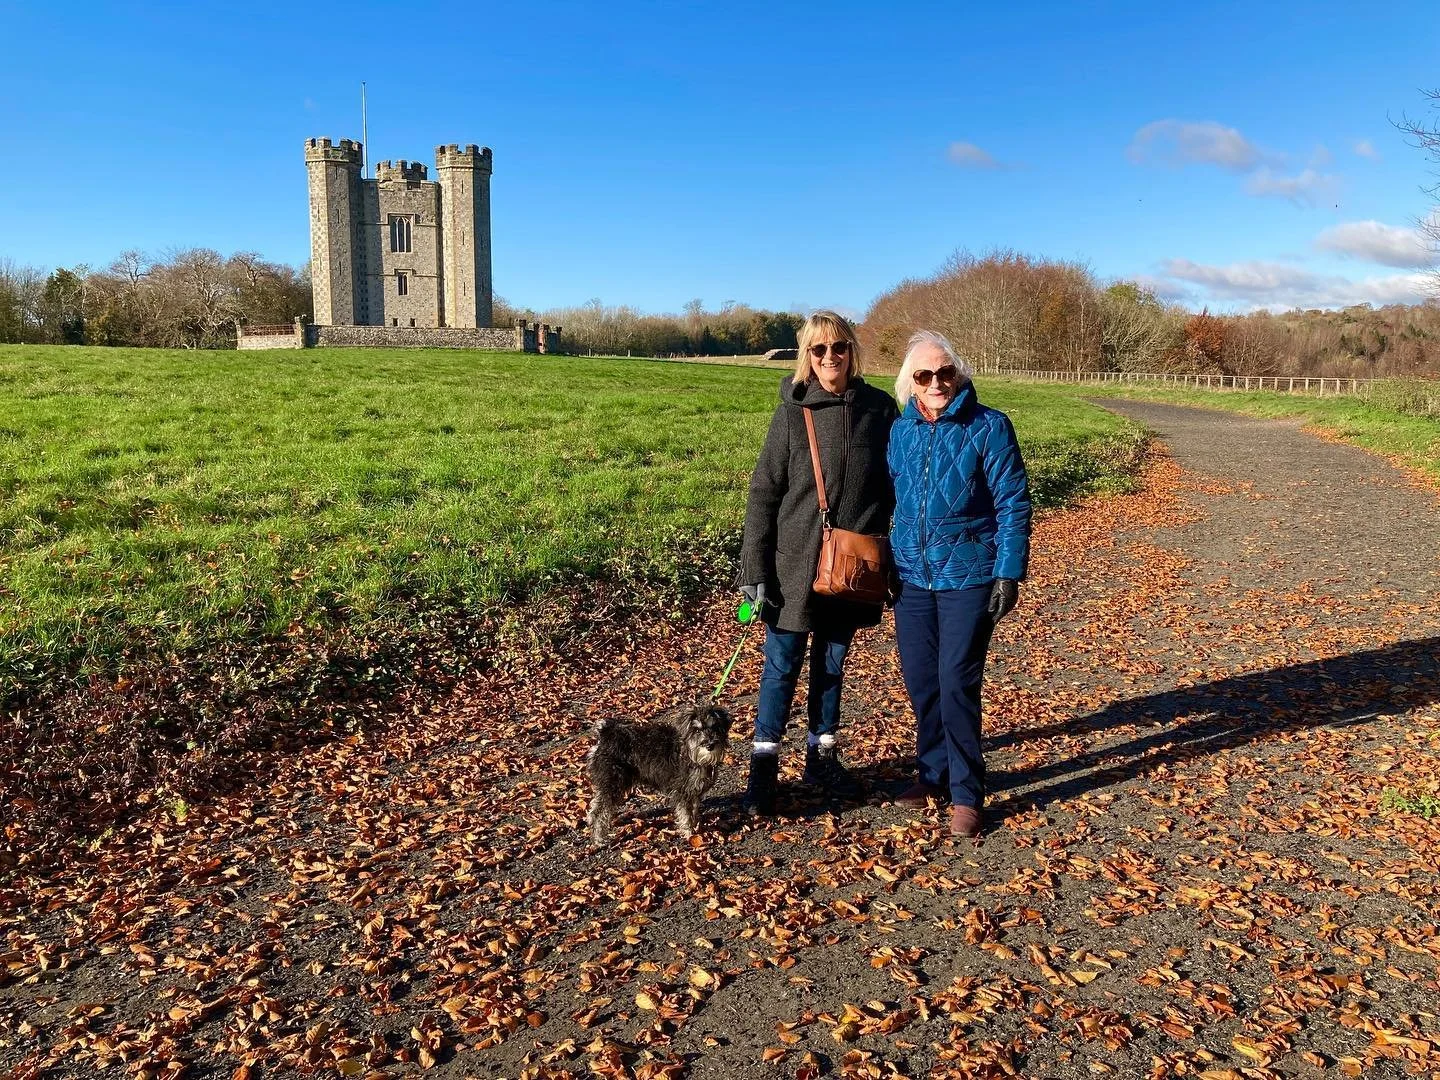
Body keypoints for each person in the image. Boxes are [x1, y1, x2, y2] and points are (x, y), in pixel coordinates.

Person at [736, 310, 899, 816]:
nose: (831, 357)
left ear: (853, 350)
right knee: (781, 666)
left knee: (832, 663)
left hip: (852, 565)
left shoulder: (880, 409)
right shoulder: (792, 411)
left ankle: (821, 755)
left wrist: (889, 558)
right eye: (819, 349)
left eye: (839, 347)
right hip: (793, 565)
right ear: (806, 355)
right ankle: (764, 767)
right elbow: (765, 493)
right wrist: (754, 570)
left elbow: (895, 489)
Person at [887, 330, 1032, 838]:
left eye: (944, 372)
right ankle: (932, 773)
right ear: (910, 382)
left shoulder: (989, 426)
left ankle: (968, 792)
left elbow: (1013, 503)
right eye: (924, 375)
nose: (936, 382)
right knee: (921, 680)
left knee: (956, 682)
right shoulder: (900, 431)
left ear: (959, 374)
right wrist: (885, 560)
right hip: (910, 576)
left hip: (970, 573)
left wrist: (1009, 570)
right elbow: (891, 500)